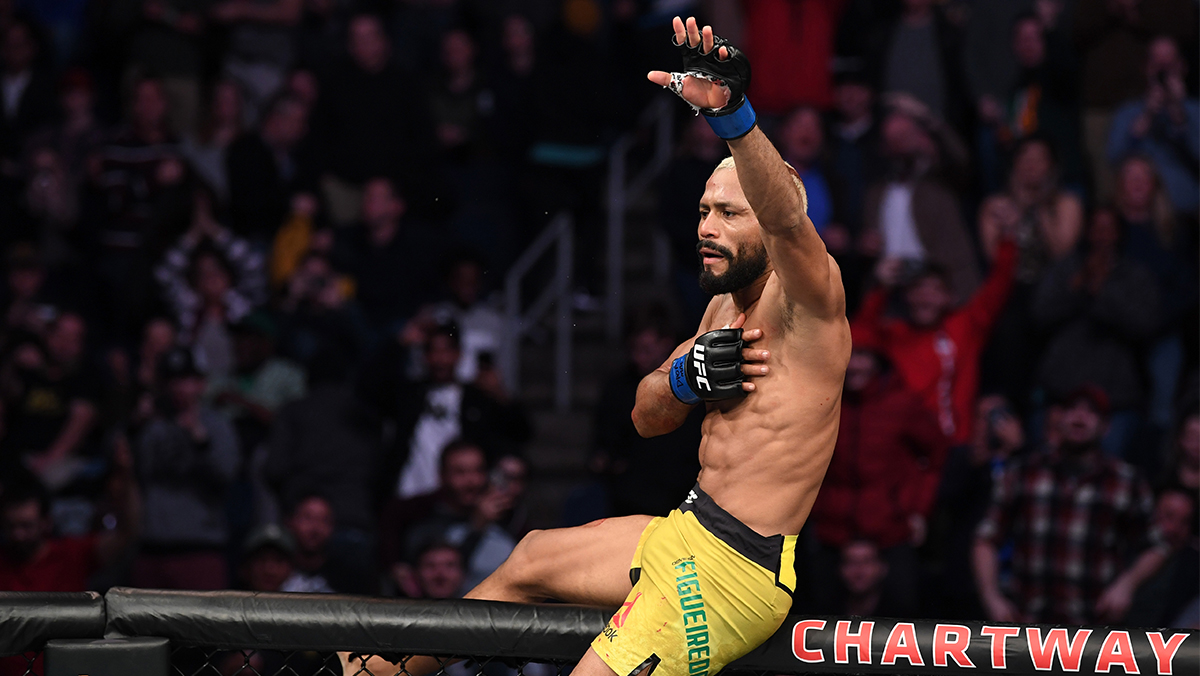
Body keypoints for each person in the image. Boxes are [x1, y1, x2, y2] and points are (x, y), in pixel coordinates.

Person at [346, 17, 851, 676]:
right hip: (687, 531)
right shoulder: (722, 307)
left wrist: (734, 118)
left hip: (735, 571)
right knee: (529, 558)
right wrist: (683, 380)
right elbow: (645, 415)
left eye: (729, 213)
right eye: (703, 211)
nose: (707, 227)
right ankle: (376, 674)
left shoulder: (812, 303)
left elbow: (786, 218)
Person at [973, 385, 1167, 624]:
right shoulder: (1023, 473)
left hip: (1093, 628)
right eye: (1072, 409)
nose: (1079, 417)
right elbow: (985, 539)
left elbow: (1157, 545)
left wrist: (1127, 584)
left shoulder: (1126, 481)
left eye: (1091, 412)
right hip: (1029, 624)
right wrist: (991, 597)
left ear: (1106, 427)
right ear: (1058, 420)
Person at [806, 338, 946, 617]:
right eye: (849, 356)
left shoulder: (901, 404)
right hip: (833, 529)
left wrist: (917, 509)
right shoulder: (823, 402)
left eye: (863, 356)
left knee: (901, 617)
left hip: (889, 528)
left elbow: (937, 454)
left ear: (877, 362)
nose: (855, 365)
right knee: (821, 616)